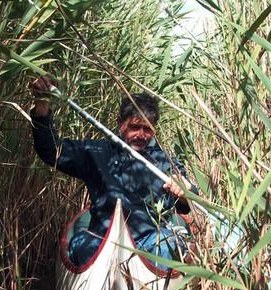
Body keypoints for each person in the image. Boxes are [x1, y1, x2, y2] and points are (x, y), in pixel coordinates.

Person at [31, 76, 198, 268]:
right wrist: (42, 106)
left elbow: (186, 202)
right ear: (120, 124)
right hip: (101, 238)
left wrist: (185, 191)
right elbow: (51, 151)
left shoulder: (164, 162)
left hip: (150, 242)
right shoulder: (96, 152)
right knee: (80, 248)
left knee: (170, 246)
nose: (141, 135)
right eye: (135, 127)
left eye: (148, 129)